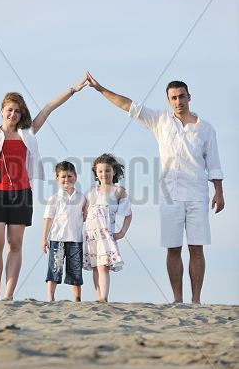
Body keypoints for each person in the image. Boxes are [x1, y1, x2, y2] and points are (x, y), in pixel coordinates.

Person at [86, 72, 224, 304]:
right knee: (172, 248)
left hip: (197, 195)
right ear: (168, 101)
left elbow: (214, 163)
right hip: (170, 196)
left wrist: (219, 192)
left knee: (196, 249)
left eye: (182, 97)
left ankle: (196, 300)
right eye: (173, 98)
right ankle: (177, 299)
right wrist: (101, 89)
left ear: (189, 97)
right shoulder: (160, 120)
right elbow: (128, 105)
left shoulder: (205, 129)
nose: (178, 101)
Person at [0, 78, 87, 300]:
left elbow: (49, 107)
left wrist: (74, 89)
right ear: (1, 111)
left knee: (15, 243)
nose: (13, 114)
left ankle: (8, 294)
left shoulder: (27, 133)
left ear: (21, 114)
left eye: (17, 111)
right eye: (9, 110)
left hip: (21, 194)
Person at [83, 153, 132, 302]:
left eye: (107, 171)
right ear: (96, 173)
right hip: (91, 236)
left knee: (103, 266)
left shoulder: (118, 191)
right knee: (95, 267)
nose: (104, 174)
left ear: (114, 172)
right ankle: (98, 296)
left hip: (105, 235)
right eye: (100, 171)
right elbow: (84, 212)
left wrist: (122, 232)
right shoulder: (91, 192)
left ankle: (103, 297)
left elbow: (128, 214)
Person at [42, 161, 86, 302]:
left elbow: (86, 215)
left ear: (75, 177)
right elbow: (48, 219)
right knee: (55, 268)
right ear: (57, 179)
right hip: (57, 238)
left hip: (76, 239)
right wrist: (44, 238)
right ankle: (50, 296)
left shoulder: (82, 198)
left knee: (75, 269)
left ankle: (77, 297)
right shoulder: (54, 199)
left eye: (69, 176)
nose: (66, 179)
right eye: (63, 177)